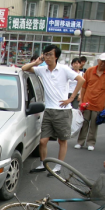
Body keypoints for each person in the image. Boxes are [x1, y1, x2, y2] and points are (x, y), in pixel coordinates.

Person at [24, 45, 85, 174]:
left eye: (50, 54)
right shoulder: (42, 70)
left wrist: (71, 98)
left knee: (62, 140)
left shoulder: (64, 69)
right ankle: (43, 164)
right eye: (45, 54)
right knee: (43, 140)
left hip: (63, 111)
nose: (47, 57)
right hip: (49, 110)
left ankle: (58, 167)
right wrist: (37, 62)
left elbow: (81, 79)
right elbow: (24, 68)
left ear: (56, 56)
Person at [75, 53, 105, 151]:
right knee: (84, 123)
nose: (103, 63)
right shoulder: (89, 71)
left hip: (99, 103)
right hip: (87, 101)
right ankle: (80, 141)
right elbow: (84, 86)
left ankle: (91, 142)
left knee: (94, 124)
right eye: (102, 61)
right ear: (98, 61)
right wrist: (82, 99)